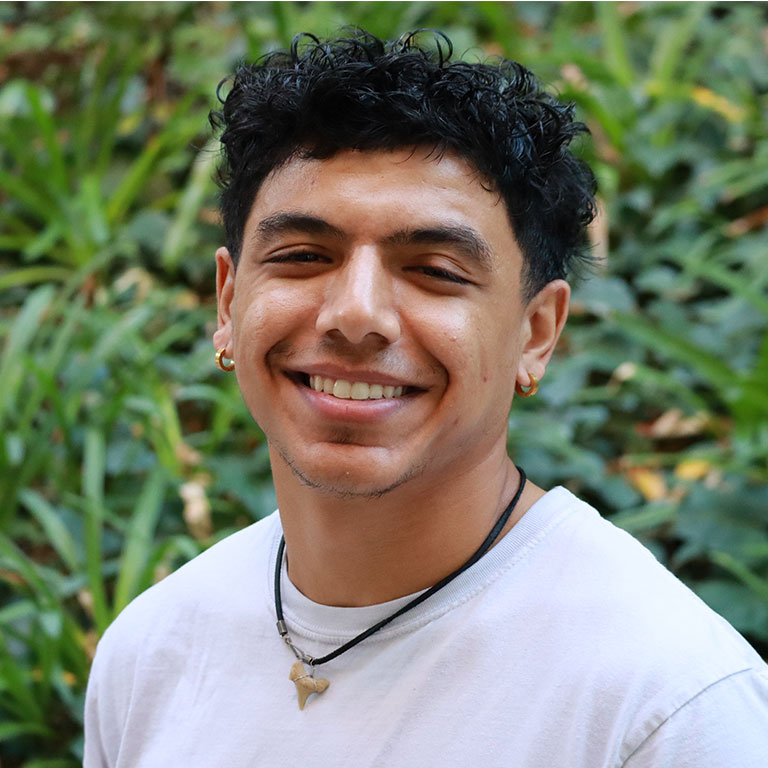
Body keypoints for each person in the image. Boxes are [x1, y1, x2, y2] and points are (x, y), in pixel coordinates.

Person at [84, 29, 768, 767]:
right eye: (304, 257)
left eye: (434, 269)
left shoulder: (667, 704)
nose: (355, 314)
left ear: (536, 333)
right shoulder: (151, 654)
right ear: (227, 299)